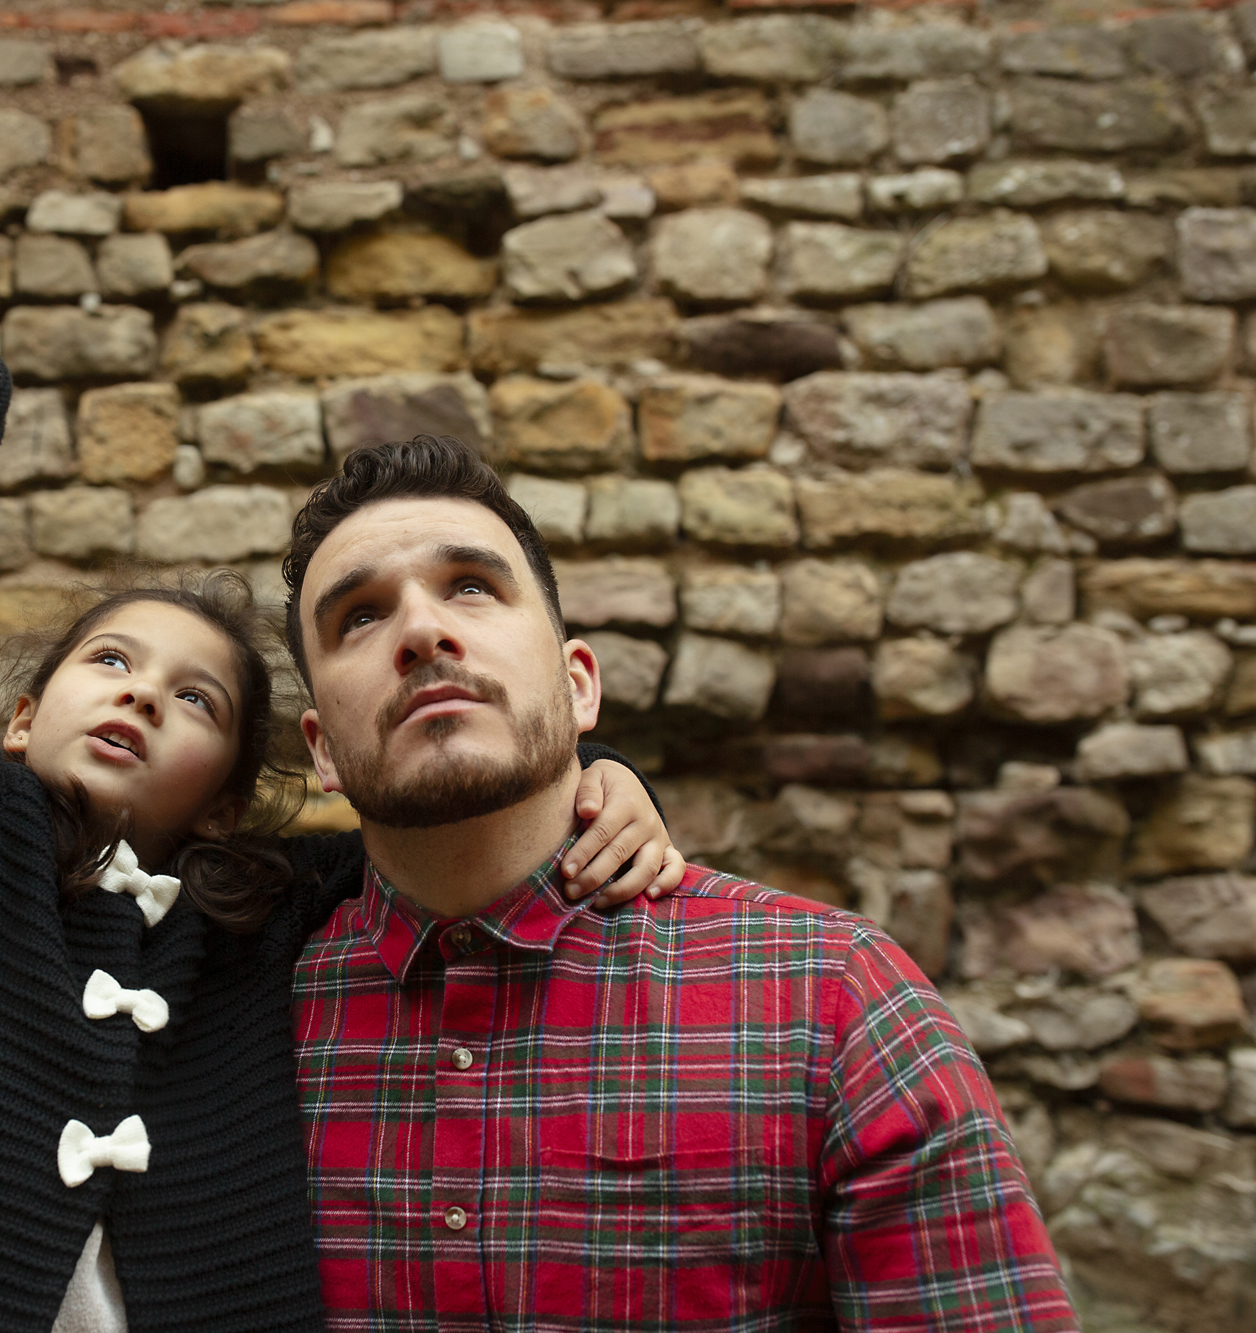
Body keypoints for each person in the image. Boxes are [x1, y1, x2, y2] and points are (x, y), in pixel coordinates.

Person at [0, 66, 685, 1333]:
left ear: (227, 800)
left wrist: (604, 785)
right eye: (109, 663)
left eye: (198, 701)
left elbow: (449, 816)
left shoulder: (269, 921)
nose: (142, 698)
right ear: (17, 718)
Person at [277, 436, 1082, 1330]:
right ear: (322, 750)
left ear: (579, 687)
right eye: (359, 615)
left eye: (471, 585)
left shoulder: (831, 997)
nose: (422, 631)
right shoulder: (242, 1020)